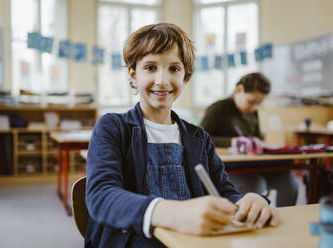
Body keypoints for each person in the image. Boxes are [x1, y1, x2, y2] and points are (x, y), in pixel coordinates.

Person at [85, 23, 277, 248]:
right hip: (132, 240)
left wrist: (249, 200)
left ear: (185, 76)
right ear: (133, 75)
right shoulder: (112, 127)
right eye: (150, 67)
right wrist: (172, 213)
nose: (162, 80)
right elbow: (101, 196)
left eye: (174, 69)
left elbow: (223, 192)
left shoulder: (199, 137)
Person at [200, 72, 298, 207]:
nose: (255, 107)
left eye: (259, 103)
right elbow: (200, 139)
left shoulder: (253, 112)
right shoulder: (218, 108)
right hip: (228, 165)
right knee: (255, 184)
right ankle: (247, 219)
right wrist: (232, 142)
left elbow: (257, 136)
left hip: (252, 162)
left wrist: (258, 142)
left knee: (287, 180)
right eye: (251, 101)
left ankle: (287, 217)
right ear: (239, 90)